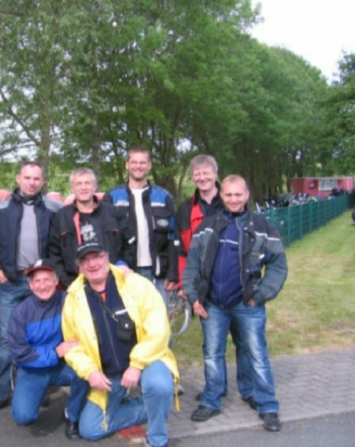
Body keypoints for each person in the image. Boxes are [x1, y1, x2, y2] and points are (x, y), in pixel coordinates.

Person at [182, 175, 288, 432]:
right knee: (212, 355)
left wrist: (260, 295)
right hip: (212, 305)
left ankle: (266, 405)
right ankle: (211, 400)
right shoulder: (207, 226)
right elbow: (192, 264)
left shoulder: (262, 227)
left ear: (247, 195)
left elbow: (278, 265)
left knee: (256, 354)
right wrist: (194, 297)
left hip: (247, 305)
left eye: (238, 194)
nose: (233, 199)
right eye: (228, 195)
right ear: (222, 196)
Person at [61, 240, 179, 447]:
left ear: (107, 257)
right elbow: (72, 347)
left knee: (159, 385)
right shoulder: (73, 299)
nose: (92, 264)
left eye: (97, 257)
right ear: (79, 266)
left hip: (146, 363)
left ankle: (157, 439)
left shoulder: (137, 284)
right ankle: (150, 407)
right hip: (109, 376)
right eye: (85, 260)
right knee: (90, 429)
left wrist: (136, 365)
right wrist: (90, 372)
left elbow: (158, 329)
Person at [0, 161, 62, 416]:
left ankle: (39, 387)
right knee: (7, 340)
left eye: (37, 178)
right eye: (27, 177)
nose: (32, 182)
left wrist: (54, 275)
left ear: (42, 181)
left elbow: (61, 243)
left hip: (42, 284)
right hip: (12, 282)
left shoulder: (53, 208)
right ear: (18, 178)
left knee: (44, 336)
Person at [175, 155, 252, 403]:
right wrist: (186, 284)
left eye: (206, 172)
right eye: (197, 173)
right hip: (205, 288)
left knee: (244, 342)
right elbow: (182, 249)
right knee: (212, 345)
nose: (202, 177)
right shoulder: (185, 209)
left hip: (237, 286)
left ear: (216, 174)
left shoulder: (232, 200)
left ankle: (249, 389)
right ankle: (215, 389)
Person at [7, 259, 88, 439]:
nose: (43, 286)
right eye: (37, 281)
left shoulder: (66, 300)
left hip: (60, 366)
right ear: (30, 285)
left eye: (47, 280)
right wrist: (55, 352)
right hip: (31, 369)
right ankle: (25, 384)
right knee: (23, 417)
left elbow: (90, 292)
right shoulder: (20, 313)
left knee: (85, 372)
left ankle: (71, 414)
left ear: (56, 281)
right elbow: (21, 354)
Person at [104, 147, 179, 306]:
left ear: (149, 165)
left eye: (142, 162)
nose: (138, 166)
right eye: (134, 162)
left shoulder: (164, 197)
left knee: (159, 318)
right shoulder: (112, 197)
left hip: (157, 272)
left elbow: (173, 237)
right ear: (127, 165)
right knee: (128, 318)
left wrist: (172, 273)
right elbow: (107, 239)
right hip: (125, 270)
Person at [49, 167, 135, 289]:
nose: (83, 187)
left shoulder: (114, 213)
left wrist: (123, 264)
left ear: (95, 186)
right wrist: (69, 283)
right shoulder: (60, 217)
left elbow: (130, 243)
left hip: (113, 282)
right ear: (72, 188)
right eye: (79, 184)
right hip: (76, 283)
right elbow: (54, 254)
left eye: (87, 183)